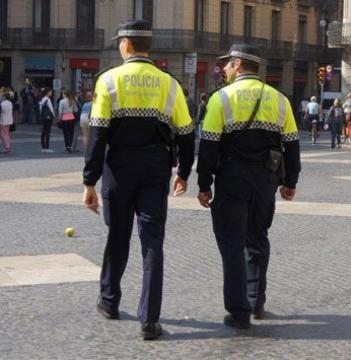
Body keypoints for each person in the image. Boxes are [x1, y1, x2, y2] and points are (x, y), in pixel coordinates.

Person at [82, 19, 195, 341]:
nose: (119, 45)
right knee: (152, 243)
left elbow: (97, 136)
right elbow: (187, 133)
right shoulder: (168, 83)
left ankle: (109, 300)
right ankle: (149, 319)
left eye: (120, 41)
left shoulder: (109, 80)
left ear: (127, 44)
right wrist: (183, 172)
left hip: (118, 168)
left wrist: (89, 182)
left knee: (117, 237)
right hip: (155, 169)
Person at [196, 43, 301, 330]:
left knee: (231, 243)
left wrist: (204, 185)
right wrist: (290, 182)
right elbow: (292, 144)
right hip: (265, 180)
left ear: (240, 64)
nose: (224, 68)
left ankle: (238, 310)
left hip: (231, 178)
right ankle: (256, 299)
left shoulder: (221, 99)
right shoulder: (280, 99)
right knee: (258, 237)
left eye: (228, 63)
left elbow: (208, 147)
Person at [39, 88, 55, 153]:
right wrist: (54, 115)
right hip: (49, 117)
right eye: (50, 92)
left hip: (43, 117)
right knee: (48, 132)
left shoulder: (42, 99)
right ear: (48, 92)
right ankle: (47, 147)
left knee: (43, 132)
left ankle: (43, 147)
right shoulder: (48, 99)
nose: (51, 93)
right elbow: (51, 109)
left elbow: (40, 109)